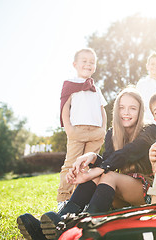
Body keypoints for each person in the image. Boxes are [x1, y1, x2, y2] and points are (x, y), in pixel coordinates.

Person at [17, 88, 156, 240]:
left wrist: (98, 168)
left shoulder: (149, 129)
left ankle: (87, 231)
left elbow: (129, 152)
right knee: (98, 175)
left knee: (107, 175)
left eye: (132, 108)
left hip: (145, 193)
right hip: (118, 194)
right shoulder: (112, 133)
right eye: (122, 108)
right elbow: (109, 159)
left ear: (140, 111)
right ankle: (59, 223)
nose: (126, 112)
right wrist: (92, 157)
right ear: (116, 110)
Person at [57, 48, 107, 206]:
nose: (88, 64)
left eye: (92, 62)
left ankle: (80, 200)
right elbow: (64, 109)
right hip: (77, 131)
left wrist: (103, 129)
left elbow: (102, 110)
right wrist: (69, 130)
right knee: (71, 165)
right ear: (75, 64)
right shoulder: (70, 85)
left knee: (87, 168)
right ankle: (63, 198)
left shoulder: (96, 89)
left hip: (96, 133)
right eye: (84, 61)